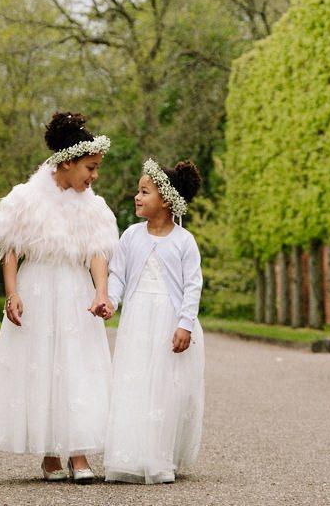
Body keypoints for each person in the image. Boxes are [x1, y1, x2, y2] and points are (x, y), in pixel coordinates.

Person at [0, 112, 118, 484]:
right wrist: (13, 294)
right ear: (67, 162)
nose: (94, 176)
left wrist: (101, 291)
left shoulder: (93, 206)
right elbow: (9, 248)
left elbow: (98, 252)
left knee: (76, 364)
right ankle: (51, 453)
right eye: (90, 167)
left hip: (74, 290)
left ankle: (79, 451)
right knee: (41, 364)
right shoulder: (26, 198)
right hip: (37, 285)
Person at [97, 158, 205, 484]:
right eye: (138, 191)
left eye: (144, 192)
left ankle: (161, 456)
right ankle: (131, 454)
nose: (137, 197)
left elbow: (192, 285)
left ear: (166, 200)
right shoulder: (130, 236)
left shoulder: (184, 241)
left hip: (169, 322)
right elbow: (117, 274)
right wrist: (110, 301)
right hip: (138, 321)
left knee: (166, 389)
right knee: (135, 382)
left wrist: (185, 323)